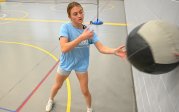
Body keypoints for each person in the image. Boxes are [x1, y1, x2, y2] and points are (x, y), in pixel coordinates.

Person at [45, 1, 126, 112]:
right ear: (69, 16)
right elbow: (64, 48)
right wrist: (81, 38)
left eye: (81, 12)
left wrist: (114, 51)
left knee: (85, 90)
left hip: (81, 65)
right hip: (66, 63)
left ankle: (89, 108)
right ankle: (50, 99)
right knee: (57, 85)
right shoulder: (65, 28)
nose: (79, 15)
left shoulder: (89, 32)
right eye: (75, 14)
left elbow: (101, 48)